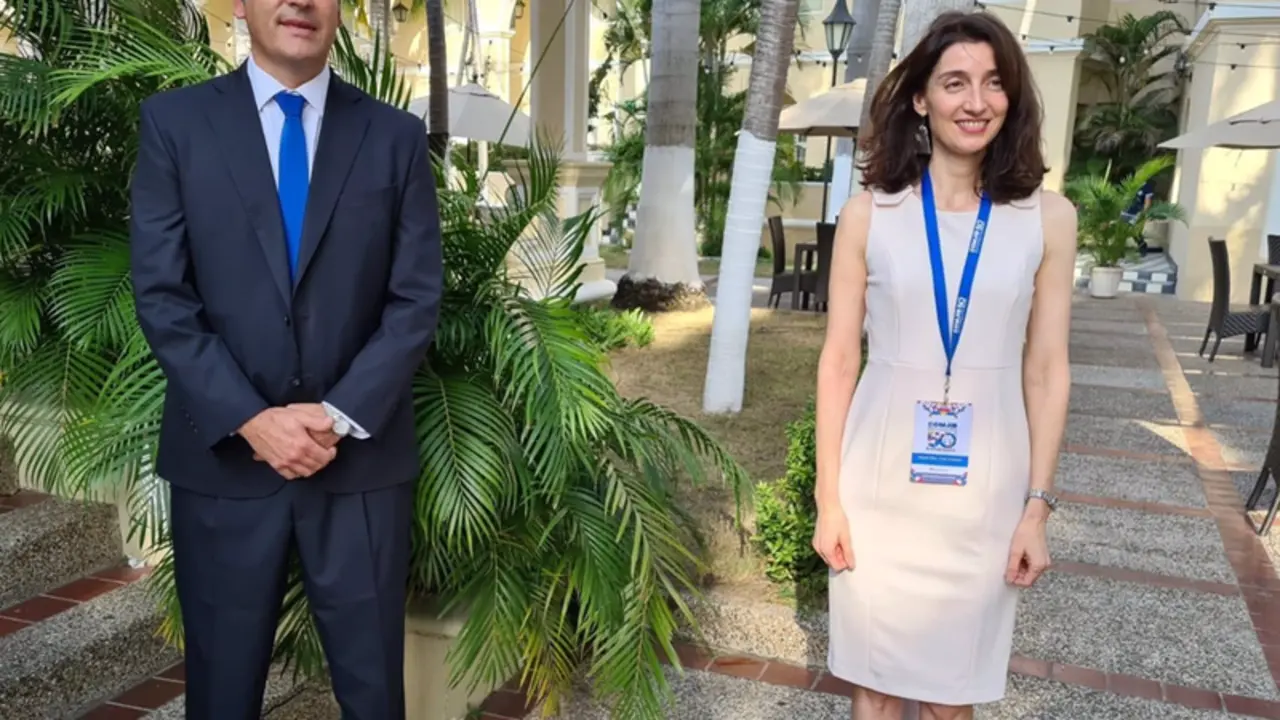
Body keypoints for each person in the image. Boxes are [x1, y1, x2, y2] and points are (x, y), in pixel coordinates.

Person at [128, 0, 443, 715]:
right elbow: (163, 296)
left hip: (360, 465)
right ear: (240, 3)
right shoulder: (176, 125)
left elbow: (415, 298)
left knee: (372, 694)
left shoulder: (393, 136)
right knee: (222, 694)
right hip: (223, 466)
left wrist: (337, 415)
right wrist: (250, 418)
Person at [811, 11, 1074, 720]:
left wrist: (1037, 508)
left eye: (994, 83)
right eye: (955, 82)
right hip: (878, 482)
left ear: (1012, 99)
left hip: (985, 492)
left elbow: (1047, 369)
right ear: (921, 99)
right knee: (874, 688)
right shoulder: (870, 214)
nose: (976, 101)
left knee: (952, 699)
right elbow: (839, 361)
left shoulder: (1048, 218)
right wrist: (827, 498)